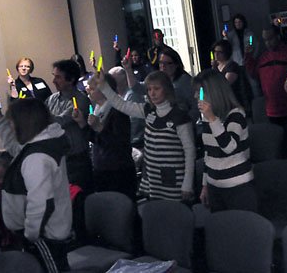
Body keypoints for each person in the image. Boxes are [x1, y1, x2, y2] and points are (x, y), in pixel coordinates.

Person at [0, 98, 72, 272]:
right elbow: (15, 148)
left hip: (44, 235)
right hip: (45, 231)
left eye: (12, 122)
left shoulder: (37, 157)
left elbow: (41, 203)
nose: (11, 126)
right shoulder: (41, 143)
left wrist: (30, 234)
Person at [89, 69, 195, 202]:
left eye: (156, 88)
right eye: (149, 89)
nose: (152, 93)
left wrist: (187, 182)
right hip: (153, 177)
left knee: (175, 214)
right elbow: (121, 104)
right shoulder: (148, 110)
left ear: (167, 89)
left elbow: (189, 150)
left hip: (174, 177)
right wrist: (104, 86)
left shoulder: (180, 116)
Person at [195, 70, 256, 213]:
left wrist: (212, 119)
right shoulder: (207, 117)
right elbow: (208, 153)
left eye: (199, 92)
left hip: (238, 185)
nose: (196, 96)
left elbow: (229, 147)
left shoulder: (236, 114)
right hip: (214, 184)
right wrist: (205, 185)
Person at [244, 24, 287, 154]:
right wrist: (248, 57)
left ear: (278, 37)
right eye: (265, 40)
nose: (267, 43)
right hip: (272, 110)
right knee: (278, 147)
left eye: (270, 39)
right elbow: (255, 74)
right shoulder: (263, 58)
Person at [72, 73, 136, 200]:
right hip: (102, 169)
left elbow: (119, 144)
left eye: (92, 87)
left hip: (118, 172)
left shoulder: (117, 110)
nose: (88, 90)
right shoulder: (98, 108)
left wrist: (99, 127)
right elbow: (96, 140)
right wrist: (82, 123)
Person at [45, 59, 92, 193]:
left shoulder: (81, 99)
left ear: (70, 80)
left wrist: (39, 115)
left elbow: (60, 121)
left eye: (58, 77)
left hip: (77, 161)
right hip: (58, 160)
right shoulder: (52, 99)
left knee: (81, 201)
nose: (54, 81)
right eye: (54, 76)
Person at [211, 40, 251, 115]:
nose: (216, 54)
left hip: (234, 102)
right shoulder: (217, 66)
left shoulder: (232, 66)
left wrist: (215, 69)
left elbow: (225, 84)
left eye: (220, 52)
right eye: (215, 51)